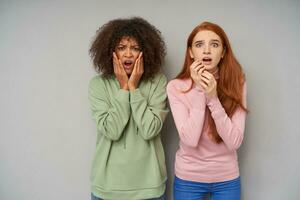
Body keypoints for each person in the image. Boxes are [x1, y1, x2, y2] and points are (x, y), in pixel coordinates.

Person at [88, 17, 168, 200]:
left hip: (149, 188)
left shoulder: (158, 82)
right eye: (122, 47)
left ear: (146, 52)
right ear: (111, 51)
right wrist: (124, 88)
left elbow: (150, 130)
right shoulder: (98, 85)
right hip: (107, 188)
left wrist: (134, 88)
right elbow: (112, 130)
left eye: (135, 48)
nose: (128, 54)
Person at [167, 21, 248, 200]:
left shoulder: (238, 83)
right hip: (188, 178)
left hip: (227, 178)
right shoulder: (175, 87)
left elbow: (234, 142)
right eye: (199, 44)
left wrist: (212, 98)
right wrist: (199, 88)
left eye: (214, 44)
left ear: (223, 52)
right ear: (190, 52)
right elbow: (190, 140)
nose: (206, 50)